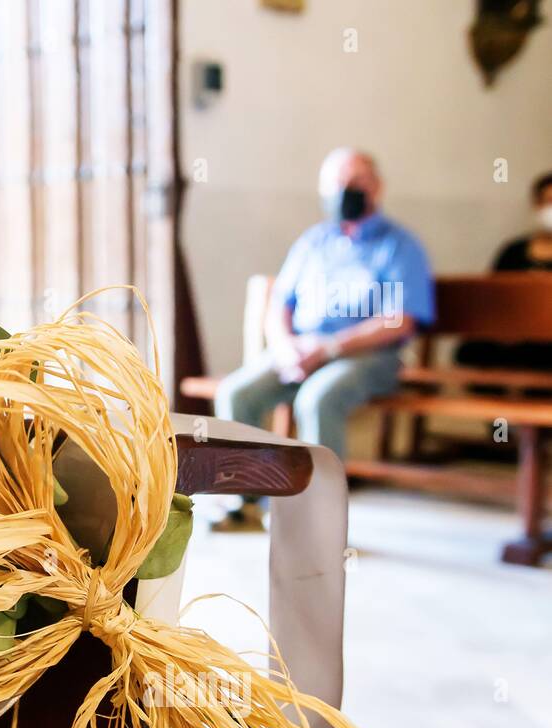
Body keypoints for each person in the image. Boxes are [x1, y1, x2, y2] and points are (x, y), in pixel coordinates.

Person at [213, 148, 434, 531]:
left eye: (356, 182)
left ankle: (320, 520)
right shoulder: (313, 242)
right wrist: (284, 346)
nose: (345, 190)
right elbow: (280, 304)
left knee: (318, 397)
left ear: (377, 188)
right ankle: (248, 502)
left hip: (369, 356)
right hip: (299, 349)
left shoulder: (399, 245)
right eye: (336, 183)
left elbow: (399, 320)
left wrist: (330, 348)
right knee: (236, 393)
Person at [455, 170, 552, 372]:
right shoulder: (513, 251)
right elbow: (492, 297)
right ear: (536, 204)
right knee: (474, 350)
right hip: (513, 336)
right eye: (548, 201)